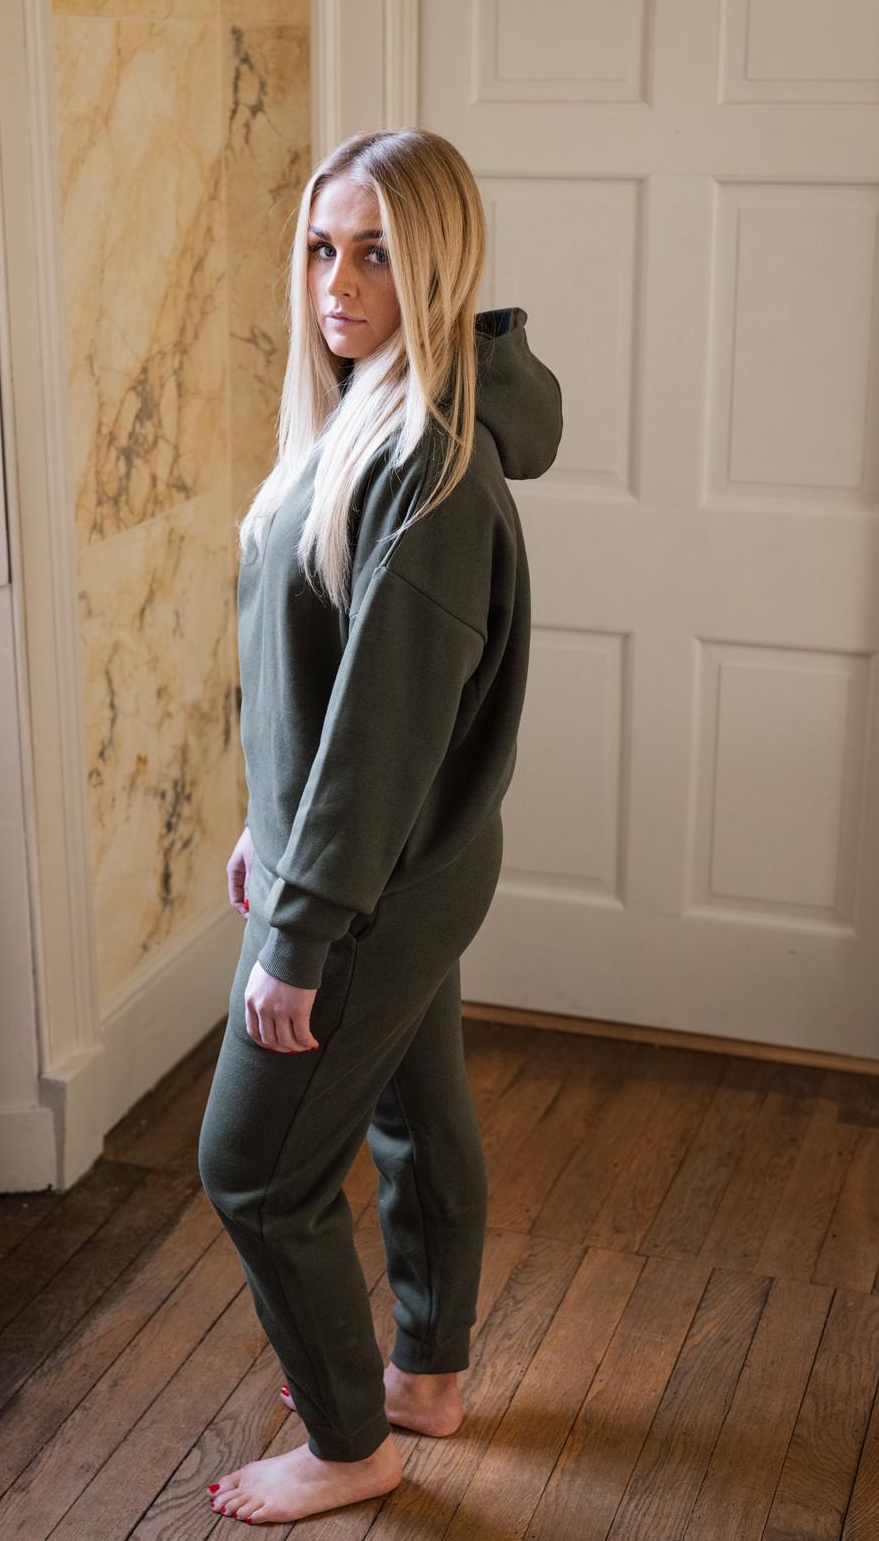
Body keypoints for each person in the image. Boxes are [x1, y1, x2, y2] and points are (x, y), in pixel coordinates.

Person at [197, 127, 563, 1525]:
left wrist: (297, 930)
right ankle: (423, 1374)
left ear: (439, 269)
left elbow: (381, 732)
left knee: (250, 1170)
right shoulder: (368, 417)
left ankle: (352, 1445)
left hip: (370, 885)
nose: (337, 285)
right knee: (413, 1115)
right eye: (320, 247)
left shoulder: (430, 462)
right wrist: (263, 820)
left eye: (375, 254)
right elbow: (323, 686)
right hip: (394, 866)